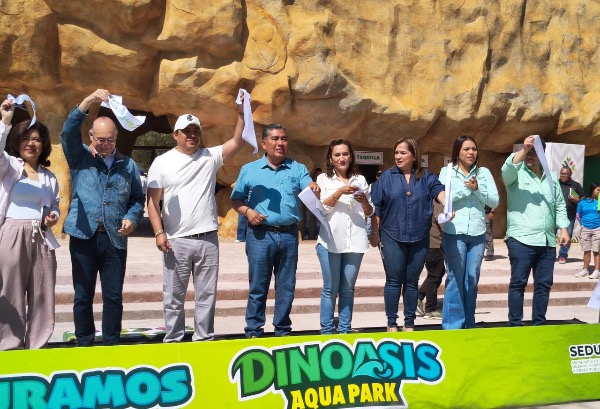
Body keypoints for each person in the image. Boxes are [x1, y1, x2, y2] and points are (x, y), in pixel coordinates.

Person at [147, 99, 246, 342]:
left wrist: (242, 113)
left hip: (208, 239)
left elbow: (237, 141)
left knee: (206, 296)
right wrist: (159, 232)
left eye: (196, 131)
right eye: (187, 131)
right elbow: (152, 202)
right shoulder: (162, 162)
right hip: (176, 240)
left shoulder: (209, 156)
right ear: (175, 135)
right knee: (173, 296)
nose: (192, 135)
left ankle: (203, 340)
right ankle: (173, 340)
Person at [61, 89, 145, 346]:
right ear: (91, 136)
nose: (105, 144)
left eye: (110, 139)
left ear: (116, 137)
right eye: (100, 139)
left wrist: (132, 218)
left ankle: (111, 342)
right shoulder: (79, 158)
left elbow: (137, 199)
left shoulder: (128, 165)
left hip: (114, 239)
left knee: (113, 297)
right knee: (82, 296)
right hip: (83, 236)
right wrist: (88, 101)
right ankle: (84, 342)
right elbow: (67, 132)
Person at [231, 124, 319, 337]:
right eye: (275, 139)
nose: (280, 143)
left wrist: (313, 187)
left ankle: (282, 330)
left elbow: (308, 185)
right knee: (258, 286)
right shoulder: (249, 169)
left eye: (284, 139)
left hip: (289, 235)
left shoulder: (297, 168)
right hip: (260, 235)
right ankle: (254, 330)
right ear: (264, 144)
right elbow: (236, 200)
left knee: (286, 286)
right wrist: (248, 212)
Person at [0, 100, 60, 350]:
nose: (31, 143)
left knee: (43, 292)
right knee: (10, 290)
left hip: (42, 237)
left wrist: (53, 215)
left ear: (43, 145)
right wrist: (5, 122)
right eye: (26, 138)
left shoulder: (49, 177)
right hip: (12, 234)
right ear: (17, 142)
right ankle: (9, 344)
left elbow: (54, 205)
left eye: (36, 139)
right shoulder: (9, 167)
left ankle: (38, 344)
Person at [370, 138, 445, 332]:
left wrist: (447, 204)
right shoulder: (386, 177)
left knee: (412, 281)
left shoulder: (426, 177)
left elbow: (439, 190)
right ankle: (391, 323)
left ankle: (409, 323)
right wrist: (375, 233)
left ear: (414, 155)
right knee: (394, 279)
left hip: (419, 237)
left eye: (403, 153)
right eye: (396, 152)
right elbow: (377, 207)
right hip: (392, 234)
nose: (398, 156)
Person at [502, 135, 569, 326]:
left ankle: (538, 324)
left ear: (542, 154)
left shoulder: (552, 177)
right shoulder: (515, 174)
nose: (530, 155)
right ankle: (515, 325)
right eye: (527, 152)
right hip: (521, 239)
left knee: (544, 285)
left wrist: (564, 229)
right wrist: (524, 149)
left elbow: (559, 204)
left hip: (547, 241)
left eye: (534, 152)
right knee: (518, 283)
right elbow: (507, 168)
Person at [439, 136, 499, 329]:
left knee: (472, 279)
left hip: (478, 233)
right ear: (457, 152)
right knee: (455, 277)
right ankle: (452, 326)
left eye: (474, 148)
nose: (471, 152)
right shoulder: (447, 172)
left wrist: (477, 189)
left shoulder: (484, 172)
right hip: (454, 232)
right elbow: (443, 197)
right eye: (466, 149)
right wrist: (467, 190)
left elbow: (494, 201)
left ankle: (469, 324)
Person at [315, 140, 373, 334]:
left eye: (345, 154)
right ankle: (327, 330)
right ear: (330, 158)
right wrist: (339, 192)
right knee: (330, 288)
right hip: (330, 241)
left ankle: (345, 329)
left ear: (351, 156)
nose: (342, 158)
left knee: (348, 289)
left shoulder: (360, 179)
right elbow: (322, 209)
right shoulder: (323, 179)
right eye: (337, 155)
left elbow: (369, 212)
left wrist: (364, 201)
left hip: (356, 240)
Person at [417, 202, 445, 320]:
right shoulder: (438, 203)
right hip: (434, 244)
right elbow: (442, 223)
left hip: (426, 243)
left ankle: (419, 296)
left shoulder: (426, 201)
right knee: (435, 276)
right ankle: (430, 309)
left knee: (438, 272)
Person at [557, 166, 584, 264]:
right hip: (554, 215)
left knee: (567, 235)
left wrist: (578, 200)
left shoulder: (576, 185)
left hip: (569, 215)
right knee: (549, 235)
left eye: (565, 174)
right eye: (561, 174)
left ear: (570, 174)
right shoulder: (556, 183)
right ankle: (547, 255)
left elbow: (583, 199)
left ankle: (562, 255)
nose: (563, 176)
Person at [574, 183, 600, 279]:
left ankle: (597, 271)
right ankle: (585, 270)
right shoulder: (583, 202)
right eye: (598, 190)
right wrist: (583, 224)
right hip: (585, 228)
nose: (599, 192)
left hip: (597, 228)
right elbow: (578, 214)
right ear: (593, 190)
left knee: (596, 250)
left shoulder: (599, 202)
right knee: (586, 250)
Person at [303, 167, 323, 239]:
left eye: (319, 174)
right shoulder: (310, 182)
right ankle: (306, 235)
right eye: (317, 174)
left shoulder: (322, 183)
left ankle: (316, 235)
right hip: (310, 203)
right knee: (308, 221)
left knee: (317, 222)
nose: (318, 175)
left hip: (318, 204)